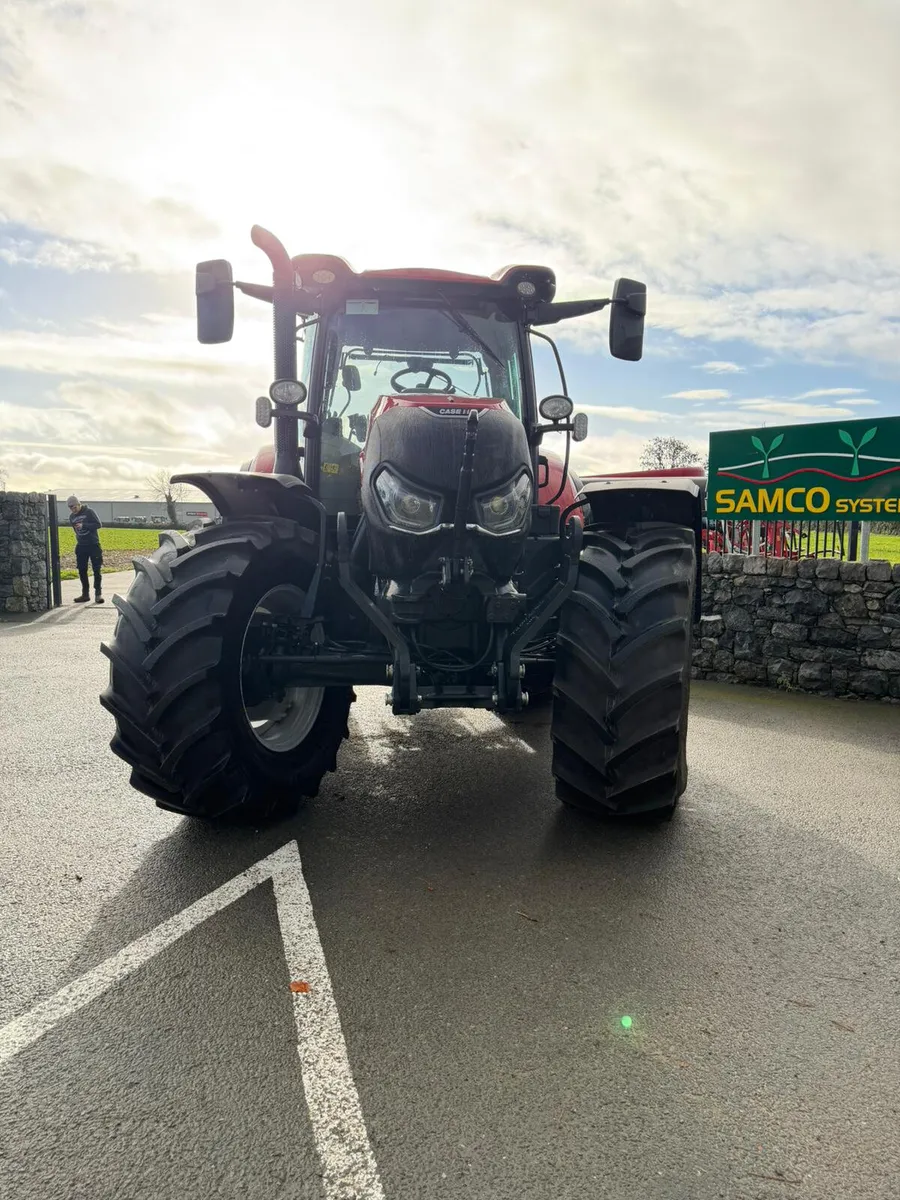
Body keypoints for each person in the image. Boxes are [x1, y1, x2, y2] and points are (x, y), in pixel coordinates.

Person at [67, 495, 105, 604]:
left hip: (93, 544)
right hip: (81, 546)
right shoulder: (71, 517)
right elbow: (75, 530)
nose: (73, 510)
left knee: (96, 570)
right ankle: (85, 594)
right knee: (82, 570)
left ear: (79, 504)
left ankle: (98, 594)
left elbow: (98, 524)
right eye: (70, 508)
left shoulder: (89, 512)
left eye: (74, 507)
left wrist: (84, 525)